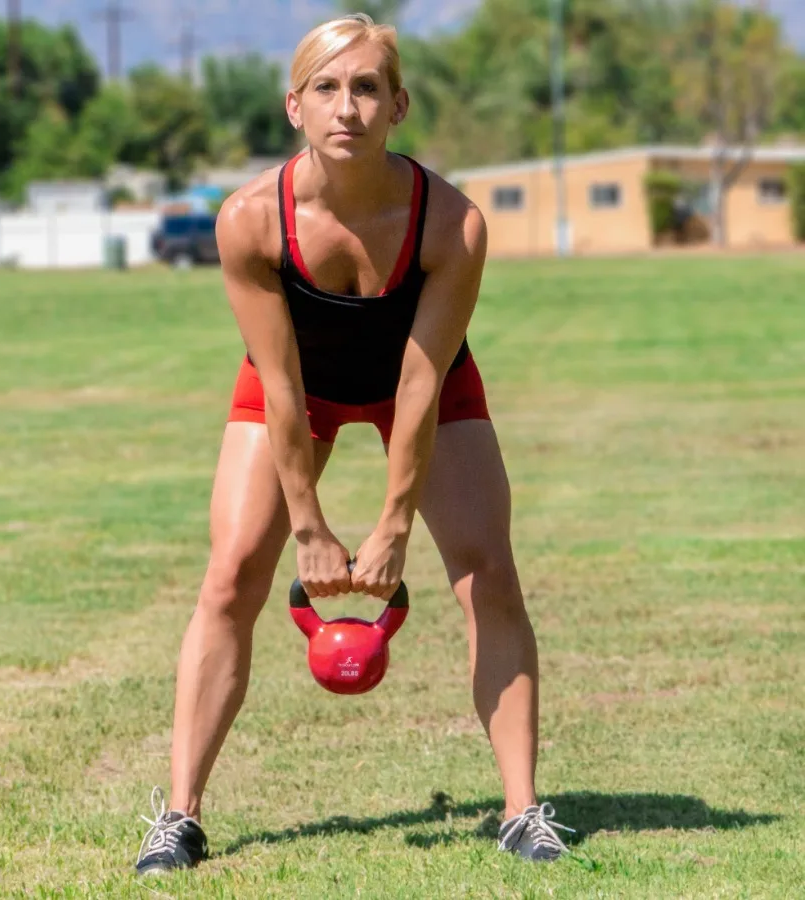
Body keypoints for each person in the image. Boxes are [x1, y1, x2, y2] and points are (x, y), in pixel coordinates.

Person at [134, 13, 574, 875]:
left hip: (423, 380)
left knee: (488, 569)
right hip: (298, 385)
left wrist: (393, 524)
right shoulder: (250, 221)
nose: (348, 108)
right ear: (293, 106)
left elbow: (419, 383)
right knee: (232, 574)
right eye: (327, 88)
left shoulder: (451, 224)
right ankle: (179, 816)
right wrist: (309, 526)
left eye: (367, 88)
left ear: (397, 105)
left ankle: (523, 811)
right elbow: (282, 386)